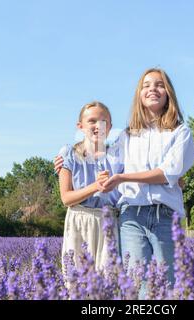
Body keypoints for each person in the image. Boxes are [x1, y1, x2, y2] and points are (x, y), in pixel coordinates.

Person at [55, 68, 194, 298]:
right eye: (146, 85)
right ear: (139, 94)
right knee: (137, 285)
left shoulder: (180, 132)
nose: (153, 89)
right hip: (131, 215)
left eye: (159, 85)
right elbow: (104, 165)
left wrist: (126, 177)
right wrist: (67, 159)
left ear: (168, 92)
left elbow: (167, 172)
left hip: (165, 215)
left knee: (167, 286)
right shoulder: (127, 136)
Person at [57, 101, 122, 273]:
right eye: (92, 121)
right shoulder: (69, 153)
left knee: (108, 280)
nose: (97, 126)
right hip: (79, 219)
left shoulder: (118, 155)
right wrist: (95, 186)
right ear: (80, 126)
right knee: (76, 281)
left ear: (110, 127)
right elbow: (66, 198)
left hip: (109, 221)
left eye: (103, 121)